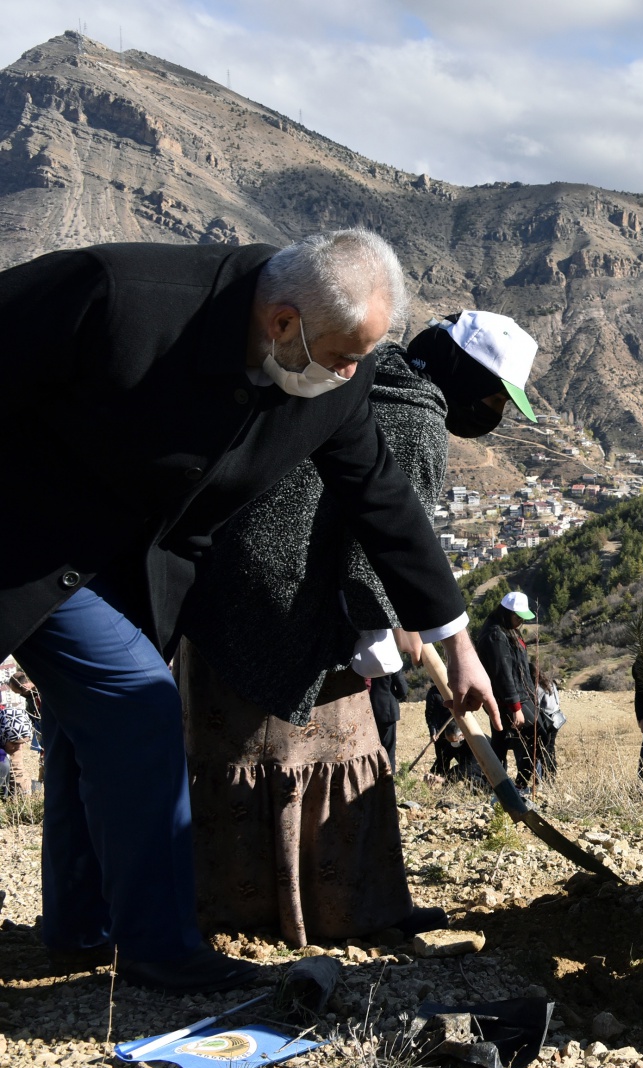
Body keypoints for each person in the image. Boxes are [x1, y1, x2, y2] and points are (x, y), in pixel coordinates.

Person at [0, 230, 502, 993]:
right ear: (282, 323)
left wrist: (457, 641)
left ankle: (84, 927)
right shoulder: (116, 294)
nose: (349, 372)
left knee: (89, 728)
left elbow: (383, 502)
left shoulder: (336, 380)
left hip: (129, 567)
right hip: (24, 541)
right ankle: (162, 952)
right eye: (340, 355)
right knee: (138, 707)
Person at [179, 309, 535, 948]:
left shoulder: (361, 375)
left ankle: (233, 912)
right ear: (459, 373)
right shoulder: (416, 414)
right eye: (490, 396)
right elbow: (383, 533)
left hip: (227, 590)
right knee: (328, 756)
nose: (493, 414)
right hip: (299, 610)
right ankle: (334, 914)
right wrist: (384, 631)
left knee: (237, 754)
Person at [475, 590, 542, 790]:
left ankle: (496, 785)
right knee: (537, 735)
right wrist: (515, 707)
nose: (520, 622)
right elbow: (502, 674)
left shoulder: (507, 629)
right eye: (518, 617)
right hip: (508, 700)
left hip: (519, 696)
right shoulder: (495, 635)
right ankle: (518, 785)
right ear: (505, 612)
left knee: (501, 742)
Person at [426, 685, 481, 785]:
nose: (452, 744)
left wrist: (444, 780)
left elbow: (465, 768)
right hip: (446, 728)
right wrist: (433, 774)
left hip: (484, 773)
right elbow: (444, 758)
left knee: (472, 780)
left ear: (463, 736)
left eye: (454, 741)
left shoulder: (475, 742)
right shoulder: (434, 692)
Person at [371, 668, 410, 771]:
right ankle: (389, 779)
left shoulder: (366, 661)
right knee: (389, 750)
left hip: (368, 710)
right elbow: (403, 689)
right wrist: (393, 696)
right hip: (387, 709)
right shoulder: (392, 663)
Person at [0, 708, 29, 799]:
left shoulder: (11, 741)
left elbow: (17, 771)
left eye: (23, 742)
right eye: (15, 743)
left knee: (37, 787)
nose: (20, 747)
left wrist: (25, 796)